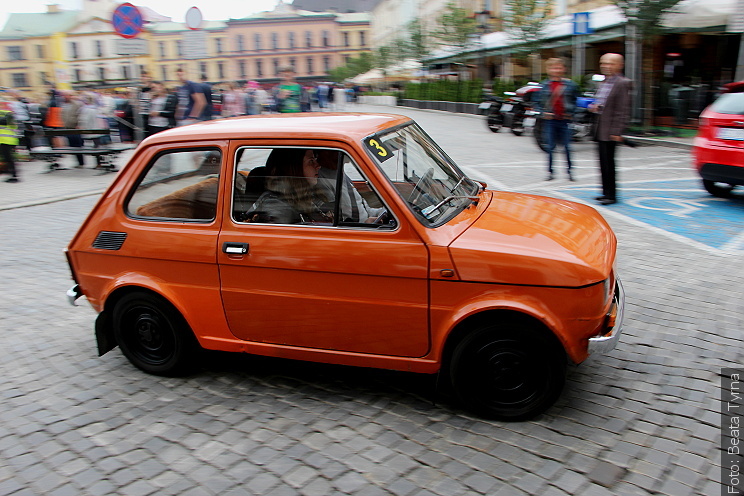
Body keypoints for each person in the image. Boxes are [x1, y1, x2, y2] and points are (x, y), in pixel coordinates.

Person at [590, 53, 632, 205]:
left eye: (610, 63)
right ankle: (605, 192)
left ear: (619, 65)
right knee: (602, 162)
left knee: (609, 163)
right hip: (601, 127)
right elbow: (604, 103)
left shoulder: (622, 83)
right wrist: (595, 107)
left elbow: (623, 109)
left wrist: (617, 131)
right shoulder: (604, 82)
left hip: (610, 130)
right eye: (603, 63)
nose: (606, 66)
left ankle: (611, 195)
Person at [249, 148, 332, 224]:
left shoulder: (301, 197)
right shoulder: (276, 205)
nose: (318, 166)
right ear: (294, 168)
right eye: (311, 161)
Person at [535, 58, 579, 182]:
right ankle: (550, 172)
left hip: (564, 120)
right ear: (548, 70)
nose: (556, 70)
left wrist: (572, 113)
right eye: (553, 68)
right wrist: (544, 113)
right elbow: (537, 103)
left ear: (564, 69)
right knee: (550, 147)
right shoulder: (544, 85)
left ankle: (570, 172)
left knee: (567, 147)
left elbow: (576, 101)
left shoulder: (570, 85)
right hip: (550, 121)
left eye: (559, 67)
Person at [316, 149, 385, 223]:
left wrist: (382, 212)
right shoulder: (320, 180)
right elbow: (342, 220)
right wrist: (364, 224)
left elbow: (364, 210)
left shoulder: (339, 173)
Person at [61, 90, 86, 168]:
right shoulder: (63, 105)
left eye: (67, 95)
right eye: (64, 95)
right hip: (67, 127)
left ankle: (81, 162)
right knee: (72, 145)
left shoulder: (76, 104)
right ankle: (77, 162)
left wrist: (79, 124)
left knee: (78, 145)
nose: (65, 97)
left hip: (75, 127)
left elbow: (81, 115)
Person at [0, 100, 20, 182]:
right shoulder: (10, 114)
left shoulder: (3, 114)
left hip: (4, 140)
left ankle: (14, 176)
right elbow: (15, 127)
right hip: (11, 140)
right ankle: (10, 173)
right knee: (8, 158)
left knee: (8, 158)